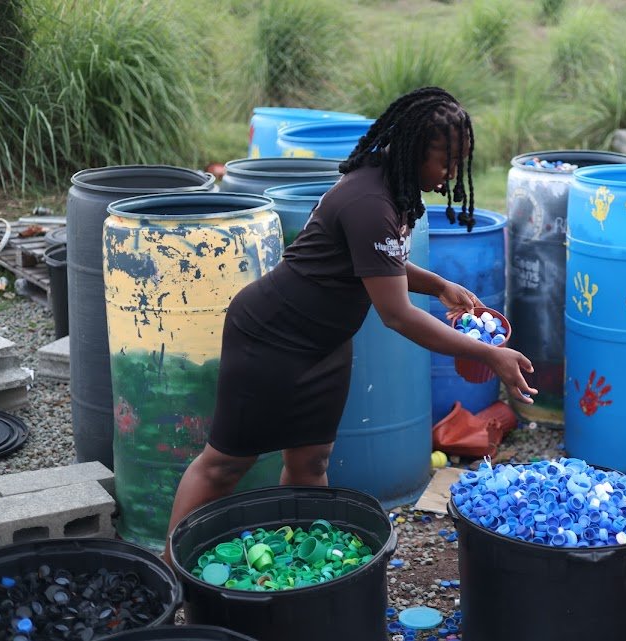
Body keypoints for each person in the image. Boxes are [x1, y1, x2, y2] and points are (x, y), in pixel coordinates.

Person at [165, 86, 537, 557]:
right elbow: (397, 315)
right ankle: (172, 575)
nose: (449, 176)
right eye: (445, 162)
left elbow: (377, 261)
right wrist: (487, 353)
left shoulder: (395, 185)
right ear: (415, 151)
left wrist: (438, 284)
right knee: (224, 466)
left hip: (324, 343)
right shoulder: (369, 202)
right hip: (270, 337)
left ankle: (305, 571)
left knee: (311, 460)